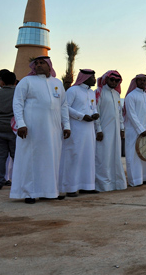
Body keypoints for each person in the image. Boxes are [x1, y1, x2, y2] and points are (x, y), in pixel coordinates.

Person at [10, 57, 70, 204]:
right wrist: (21, 124)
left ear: (49, 66)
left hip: (53, 130)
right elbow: (17, 103)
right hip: (32, 130)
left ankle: (49, 192)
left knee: (51, 160)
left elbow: (63, 106)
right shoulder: (26, 81)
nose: (38, 66)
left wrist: (67, 125)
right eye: (36, 63)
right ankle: (29, 192)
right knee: (31, 160)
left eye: (41, 63)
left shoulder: (57, 83)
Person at [60, 69, 101, 197]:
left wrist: (95, 116)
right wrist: (81, 116)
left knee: (88, 157)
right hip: (76, 128)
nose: (95, 80)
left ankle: (87, 186)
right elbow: (65, 106)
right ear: (85, 77)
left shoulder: (91, 92)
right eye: (93, 77)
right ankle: (71, 188)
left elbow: (93, 107)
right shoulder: (73, 90)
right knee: (75, 156)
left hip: (89, 130)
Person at [94, 71, 127, 192]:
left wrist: (122, 129)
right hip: (103, 131)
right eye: (112, 80)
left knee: (115, 156)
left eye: (116, 81)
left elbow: (119, 113)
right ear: (106, 80)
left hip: (116, 132)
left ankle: (116, 183)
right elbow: (95, 112)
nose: (114, 82)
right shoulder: (99, 92)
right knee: (103, 157)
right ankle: (102, 185)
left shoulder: (117, 94)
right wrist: (98, 129)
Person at [123, 74, 146, 186]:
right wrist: (140, 129)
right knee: (134, 156)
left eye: (145, 80)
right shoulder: (131, 96)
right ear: (136, 82)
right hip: (134, 132)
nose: (143, 82)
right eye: (141, 80)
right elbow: (131, 114)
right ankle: (136, 180)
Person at [0, 70, 17, 190]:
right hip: (14, 129)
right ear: (14, 81)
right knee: (16, 156)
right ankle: (17, 180)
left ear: (2, 81)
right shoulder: (17, 94)